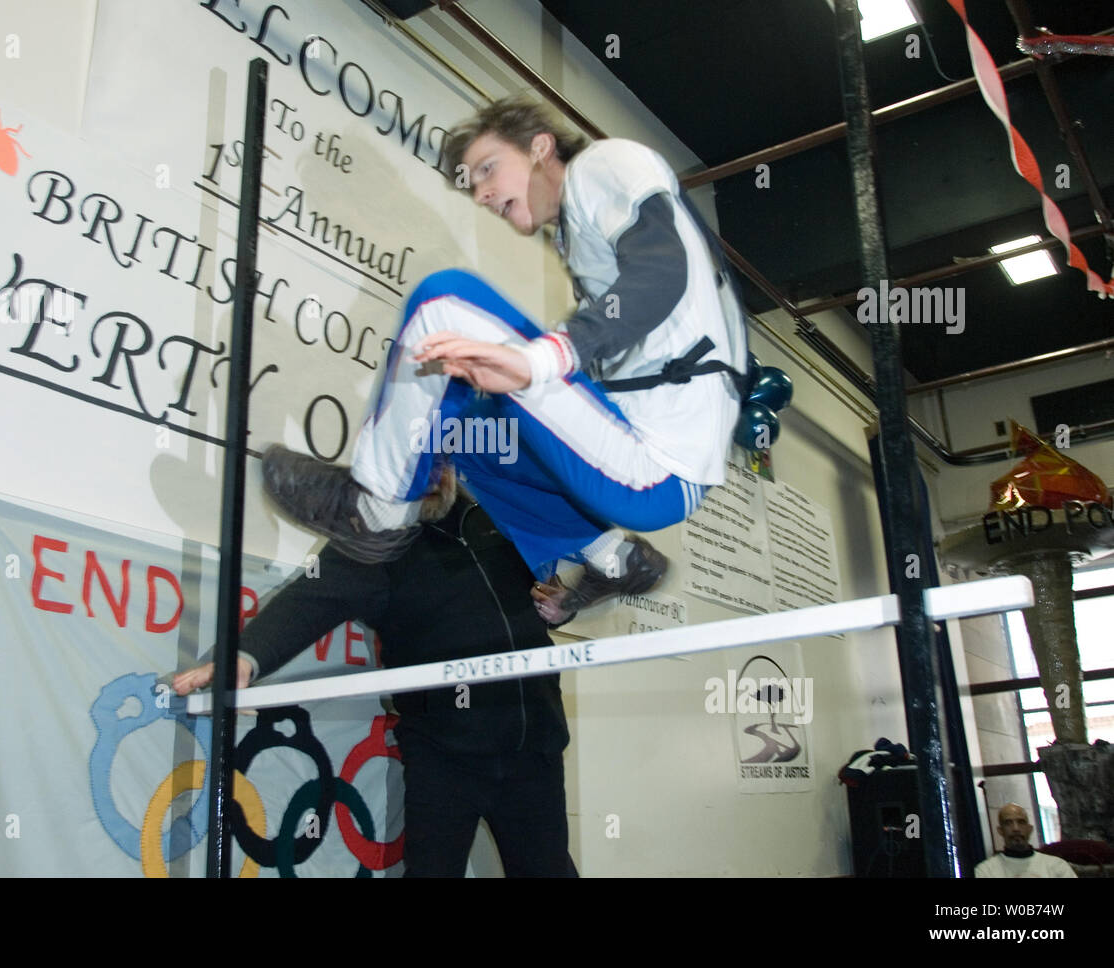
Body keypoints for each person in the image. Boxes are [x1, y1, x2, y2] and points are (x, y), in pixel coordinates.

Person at [263, 95, 748, 624]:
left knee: (443, 300)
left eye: (490, 169)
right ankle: (615, 558)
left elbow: (661, 274)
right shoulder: (581, 239)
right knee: (466, 437)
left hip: (653, 466)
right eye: (475, 186)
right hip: (639, 471)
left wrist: (543, 359)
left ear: (541, 147)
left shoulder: (602, 165)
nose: (484, 192)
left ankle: (376, 509)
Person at [173, 469, 578, 877]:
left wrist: (567, 602)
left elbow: (563, 577)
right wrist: (244, 659)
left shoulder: (499, 514)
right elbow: (308, 600)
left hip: (535, 751)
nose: (435, 470)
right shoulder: (375, 542)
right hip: (446, 757)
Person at [974, 803, 1076, 878]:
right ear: (1000, 830)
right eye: (1008, 823)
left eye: (1021, 822)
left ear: (1030, 829)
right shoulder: (985, 871)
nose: (1016, 829)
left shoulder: (1057, 866)